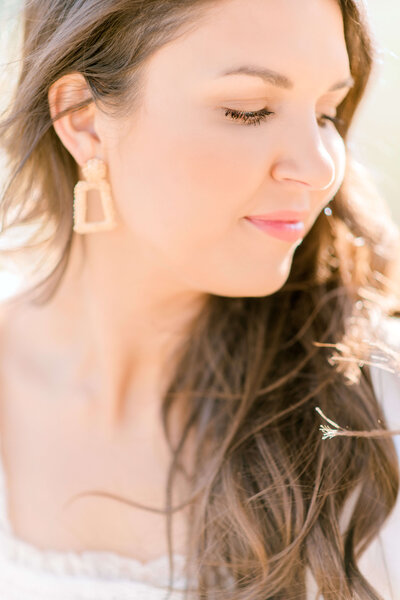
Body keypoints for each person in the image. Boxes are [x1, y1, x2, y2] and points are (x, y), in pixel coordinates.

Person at [0, 0, 399, 598]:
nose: (319, 168)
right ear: (82, 119)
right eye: (250, 111)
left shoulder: (372, 422)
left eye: (326, 113)